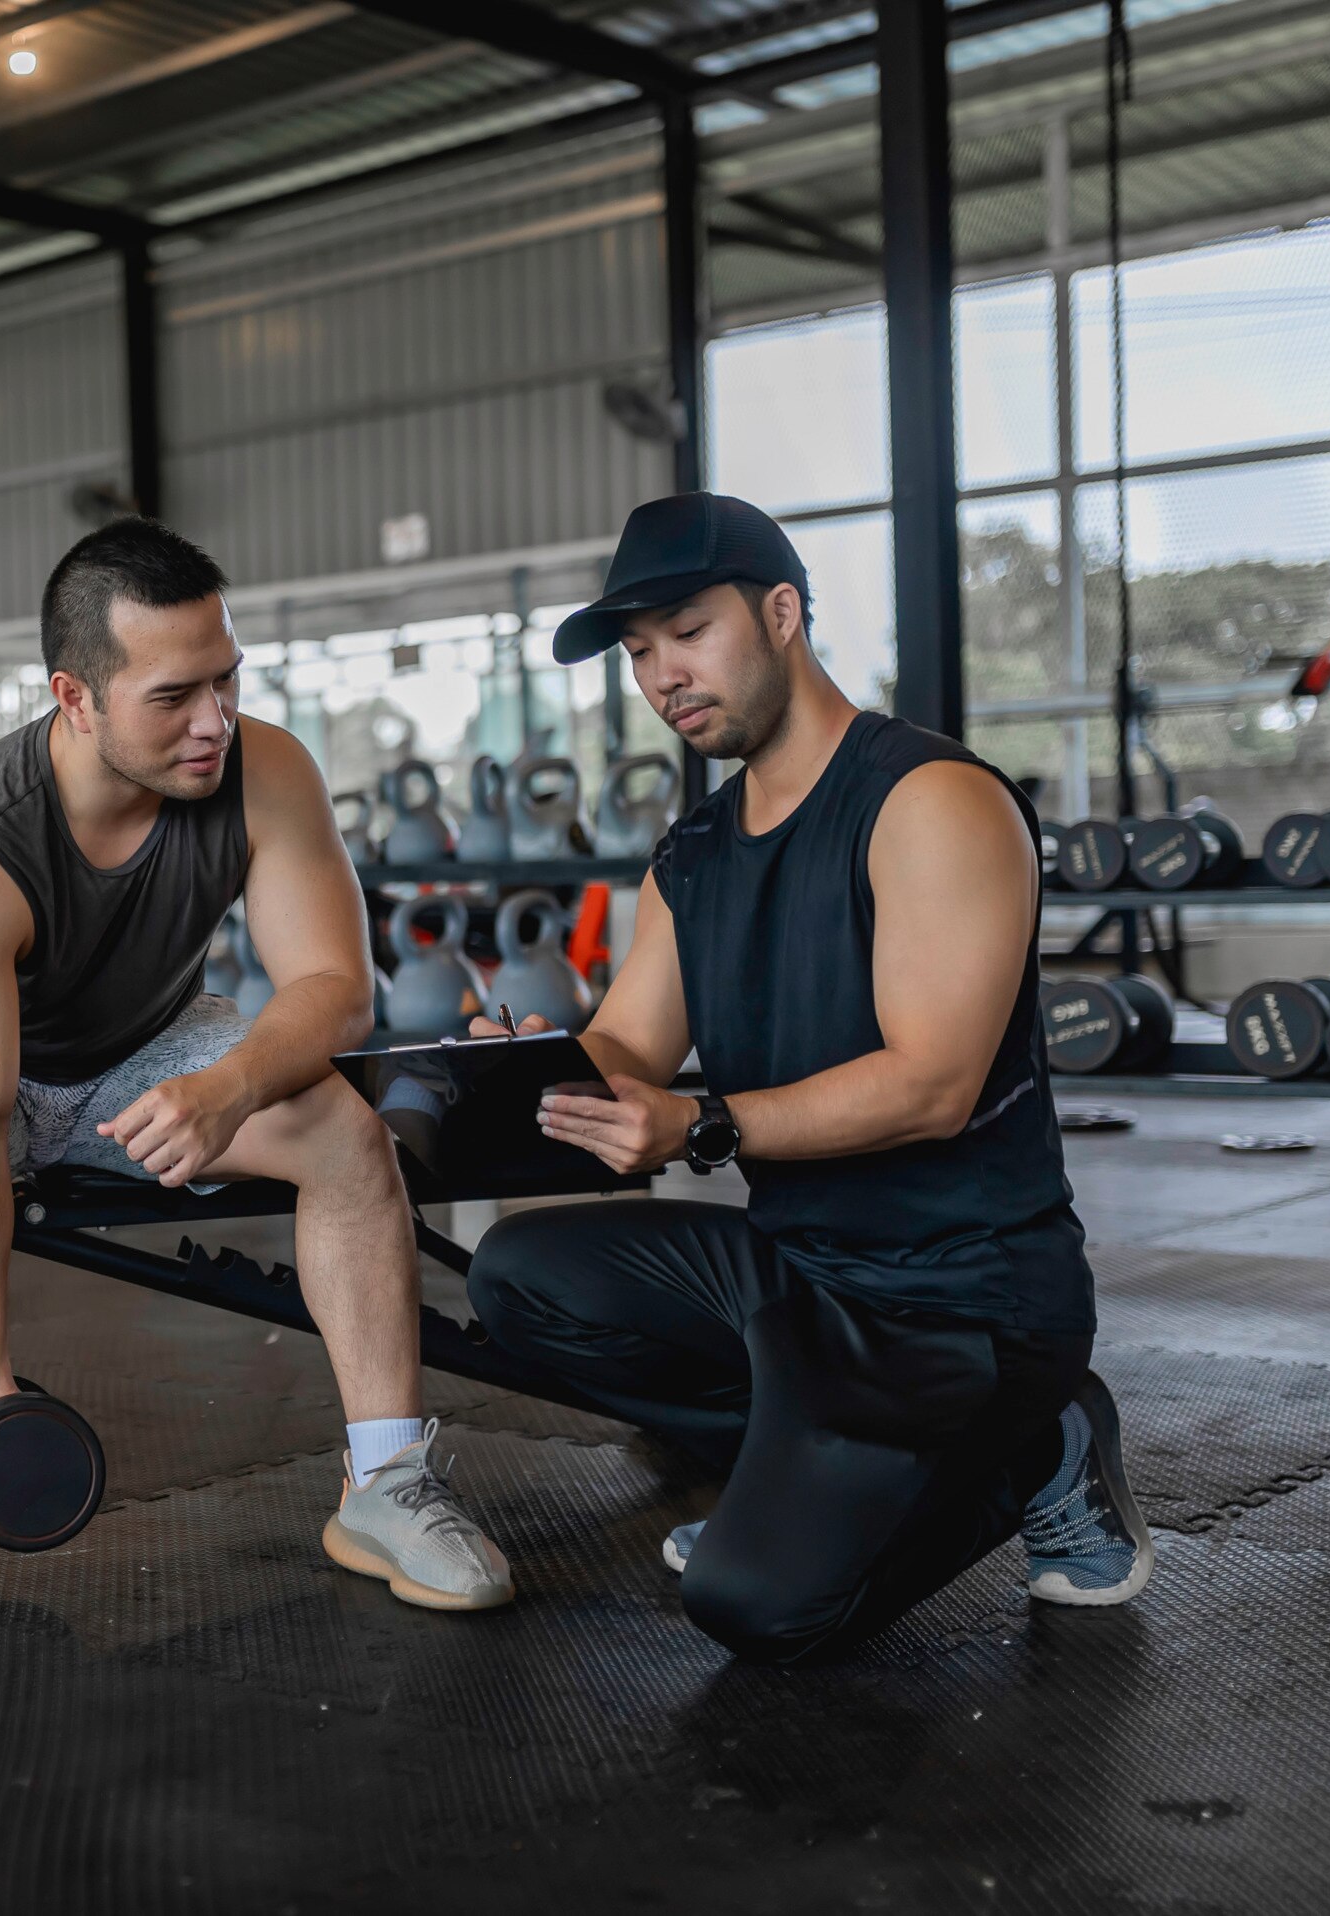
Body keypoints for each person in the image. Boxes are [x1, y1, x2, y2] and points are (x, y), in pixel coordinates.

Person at [0, 519, 516, 1657]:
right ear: (74, 698)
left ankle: (386, 1482)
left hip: (152, 1044)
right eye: (174, 696)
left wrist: (229, 1086)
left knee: (342, 1133)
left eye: (226, 679)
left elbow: (335, 988)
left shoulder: (263, 770)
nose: (214, 720)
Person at [462, 491, 1152, 1666]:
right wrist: (529, 1066)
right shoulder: (691, 856)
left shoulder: (930, 801)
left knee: (760, 1605)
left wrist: (699, 1124)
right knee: (518, 1274)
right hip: (801, 1275)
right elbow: (626, 1046)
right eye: (640, 653)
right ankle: (797, 1475)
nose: (664, 676)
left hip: (965, 1302)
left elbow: (932, 1084)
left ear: (781, 612)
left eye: (689, 631)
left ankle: (1040, 1441)